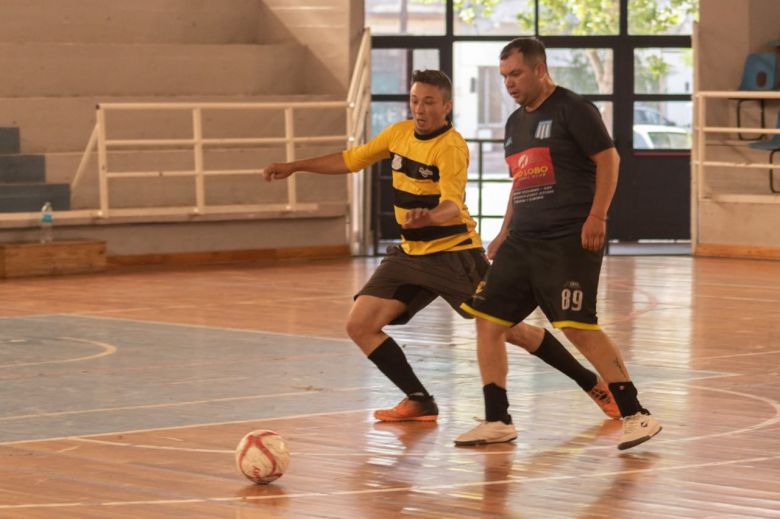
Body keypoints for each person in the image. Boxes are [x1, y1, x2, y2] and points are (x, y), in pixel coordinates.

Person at [262, 69, 619, 423]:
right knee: (360, 324)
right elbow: (351, 159)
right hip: (410, 255)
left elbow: (452, 205)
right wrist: (295, 166)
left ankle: (592, 384)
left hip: (454, 255)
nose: (420, 108)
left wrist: (429, 218)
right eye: (415, 100)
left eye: (429, 102)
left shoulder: (451, 147)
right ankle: (419, 400)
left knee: (512, 331)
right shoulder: (398, 134)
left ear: (446, 106)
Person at [454, 38, 661, 450]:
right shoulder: (515, 124)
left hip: (569, 238)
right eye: (504, 77)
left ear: (539, 69)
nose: (509, 84)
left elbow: (609, 160)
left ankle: (636, 413)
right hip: (522, 241)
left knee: (576, 327)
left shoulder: (573, 109)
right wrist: (504, 231)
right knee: (489, 321)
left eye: (516, 74)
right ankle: (498, 420)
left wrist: (597, 215)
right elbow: (520, 182)